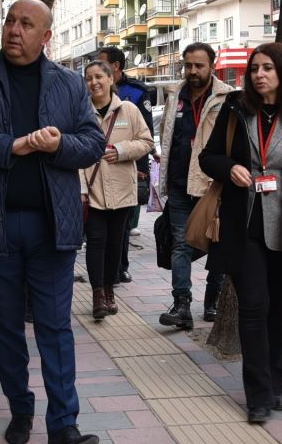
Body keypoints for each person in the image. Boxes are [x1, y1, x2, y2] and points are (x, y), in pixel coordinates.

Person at [0, 0, 107, 444]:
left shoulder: (69, 84)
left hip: (52, 226)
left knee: (55, 326)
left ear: (45, 36)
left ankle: (64, 426)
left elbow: (93, 142)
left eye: (26, 24)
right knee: (8, 326)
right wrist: (8, 146)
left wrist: (60, 145)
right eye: (10, 21)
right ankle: (20, 408)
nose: (14, 30)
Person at [200, 43, 282, 423]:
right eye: (255, 68)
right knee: (254, 306)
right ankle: (256, 395)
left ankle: (275, 384)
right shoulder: (235, 110)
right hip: (245, 229)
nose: (259, 75)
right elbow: (207, 157)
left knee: (280, 309)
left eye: (268, 69)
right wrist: (230, 169)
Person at [157, 42, 234, 328]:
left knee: (218, 244)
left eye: (199, 65)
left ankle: (212, 302)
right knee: (180, 243)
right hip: (179, 183)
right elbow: (168, 136)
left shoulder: (227, 97)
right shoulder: (174, 95)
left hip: (213, 185)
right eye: (188, 65)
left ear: (212, 66)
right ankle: (181, 305)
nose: (192, 70)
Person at [82, 60, 155, 320]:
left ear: (111, 79)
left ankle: (110, 290)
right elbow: (75, 151)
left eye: (99, 76)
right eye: (89, 78)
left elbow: (146, 141)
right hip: (92, 190)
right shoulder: (80, 113)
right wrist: (81, 188)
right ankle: (98, 295)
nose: (94, 82)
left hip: (123, 189)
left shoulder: (129, 110)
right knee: (96, 242)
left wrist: (122, 151)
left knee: (115, 244)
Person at [98, 46, 154, 282]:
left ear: (115, 67)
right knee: (99, 231)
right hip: (97, 171)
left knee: (121, 226)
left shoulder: (136, 92)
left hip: (125, 166)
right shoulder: (90, 92)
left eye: (101, 63)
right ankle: (102, 277)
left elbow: (145, 135)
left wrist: (140, 168)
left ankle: (120, 267)